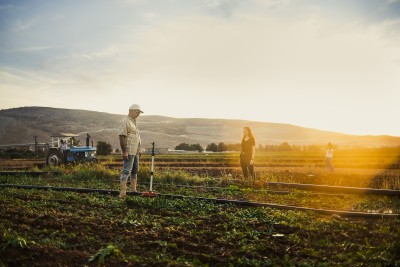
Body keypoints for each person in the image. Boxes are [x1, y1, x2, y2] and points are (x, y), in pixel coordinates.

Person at [118, 104, 143, 198]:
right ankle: (123, 192)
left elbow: (136, 138)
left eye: (139, 113)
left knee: (135, 171)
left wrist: (138, 150)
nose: (138, 114)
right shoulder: (125, 121)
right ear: (131, 111)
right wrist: (124, 151)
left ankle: (133, 190)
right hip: (129, 151)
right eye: (137, 112)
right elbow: (122, 137)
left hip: (135, 151)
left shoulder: (133, 122)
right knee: (126, 171)